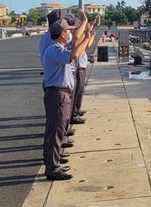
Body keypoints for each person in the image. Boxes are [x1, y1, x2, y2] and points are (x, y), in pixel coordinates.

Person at [42, 17, 92, 181]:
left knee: (54, 131)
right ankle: (53, 168)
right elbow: (75, 53)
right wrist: (85, 34)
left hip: (58, 94)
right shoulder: (55, 49)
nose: (70, 33)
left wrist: (85, 33)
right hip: (58, 94)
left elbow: (75, 46)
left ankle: (52, 161)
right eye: (68, 31)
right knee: (56, 133)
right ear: (62, 34)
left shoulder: (57, 47)